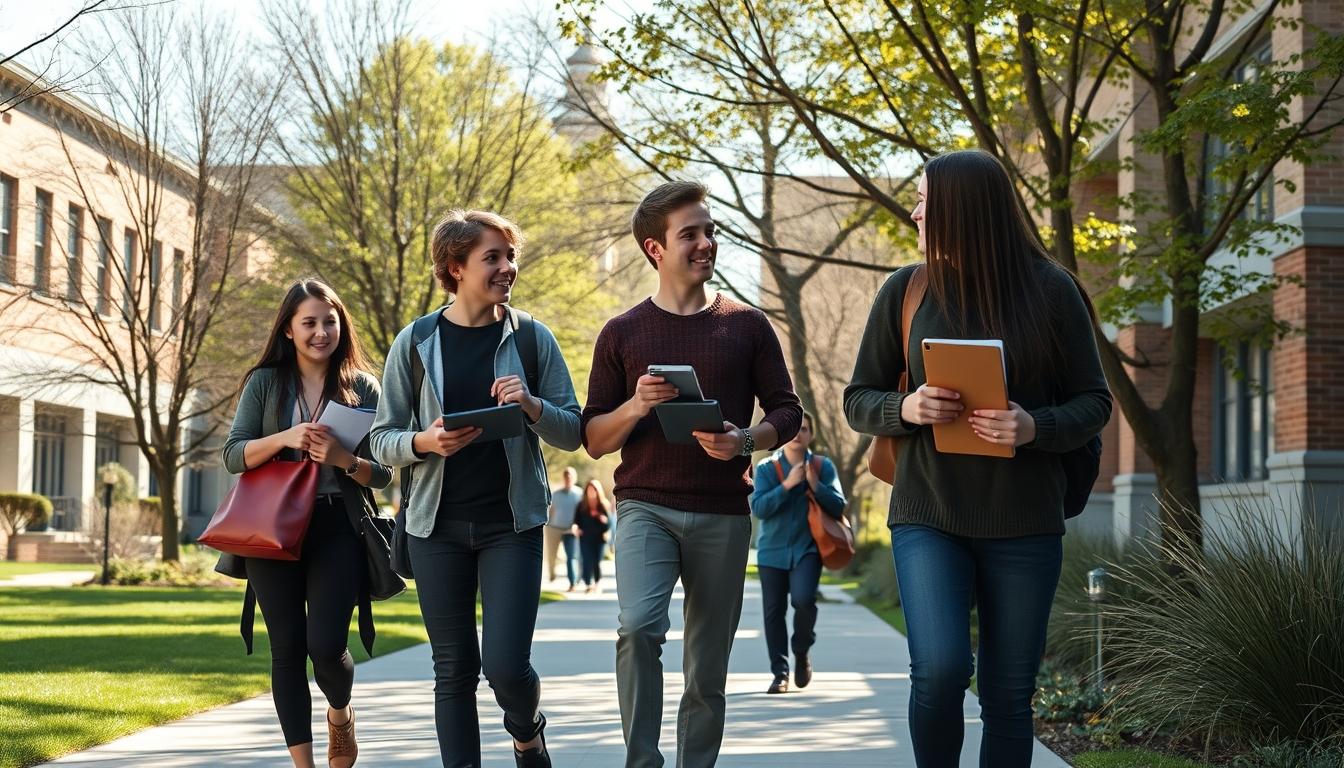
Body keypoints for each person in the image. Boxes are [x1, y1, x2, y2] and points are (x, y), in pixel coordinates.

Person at [844, 149, 1111, 768]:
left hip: (1025, 520)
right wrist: (908, 407)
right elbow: (858, 399)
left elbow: (1095, 401)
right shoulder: (905, 291)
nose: (914, 213)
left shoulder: (1053, 291)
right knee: (939, 670)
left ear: (964, 211)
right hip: (928, 513)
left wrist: (1033, 425)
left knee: (1008, 696)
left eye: (925, 202)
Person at [582, 180, 803, 768]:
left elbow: (787, 411)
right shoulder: (621, 332)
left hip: (723, 512)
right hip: (645, 507)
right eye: (691, 234)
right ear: (655, 248)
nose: (706, 242)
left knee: (707, 670)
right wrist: (636, 405)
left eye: (710, 231)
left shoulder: (748, 325)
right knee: (638, 628)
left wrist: (742, 441)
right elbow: (595, 439)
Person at [369, 210, 582, 768]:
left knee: (506, 668)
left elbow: (573, 429)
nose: (508, 267)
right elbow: (381, 439)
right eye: (493, 257)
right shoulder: (416, 342)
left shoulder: (532, 337)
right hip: (434, 528)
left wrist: (532, 405)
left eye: (511, 256)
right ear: (455, 267)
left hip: (511, 526)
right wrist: (424, 442)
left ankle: (526, 731)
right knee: (454, 670)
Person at [220, 278, 393, 768]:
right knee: (287, 649)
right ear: (289, 330)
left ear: (342, 325)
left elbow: (383, 473)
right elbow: (233, 454)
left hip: (337, 527)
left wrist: (342, 458)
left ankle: (340, 713)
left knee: (326, 645)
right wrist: (285, 437)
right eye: (309, 323)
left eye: (329, 321)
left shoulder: (363, 387)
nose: (321, 332)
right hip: (271, 530)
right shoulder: (265, 383)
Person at [749, 411, 847, 694]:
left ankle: (801, 650)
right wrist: (787, 485)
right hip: (771, 553)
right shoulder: (767, 468)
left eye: (804, 429)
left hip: (808, 550)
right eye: (794, 429)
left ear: (811, 435)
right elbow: (759, 509)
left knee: (804, 600)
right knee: (773, 612)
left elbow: (839, 506)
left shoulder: (822, 466)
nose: (798, 434)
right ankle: (780, 673)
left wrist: (816, 485)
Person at [544, 467, 583, 591]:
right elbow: (551, 511)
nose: (568, 479)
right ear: (563, 478)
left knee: (571, 556)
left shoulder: (580, 494)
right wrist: (547, 525)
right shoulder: (556, 494)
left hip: (570, 529)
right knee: (551, 554)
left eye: (570, 476)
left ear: (574, 478)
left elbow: (582, 512)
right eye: (566, 477)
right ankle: (552, 575)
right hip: (554, 528)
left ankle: (572, 582)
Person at [574, 478, 613, 592]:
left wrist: (604, 520)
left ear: (598, 491)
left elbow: (609, 524)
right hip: (585, 537)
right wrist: (576, 528)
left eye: (594, 489)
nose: (592, 491)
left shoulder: (603, 505)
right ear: (586, 491)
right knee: (587, 560)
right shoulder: (581, 505)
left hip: (599, 538)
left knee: (596, 561)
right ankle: (588, 584)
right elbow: (576, 521)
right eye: (589, 489)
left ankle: (597, 582)